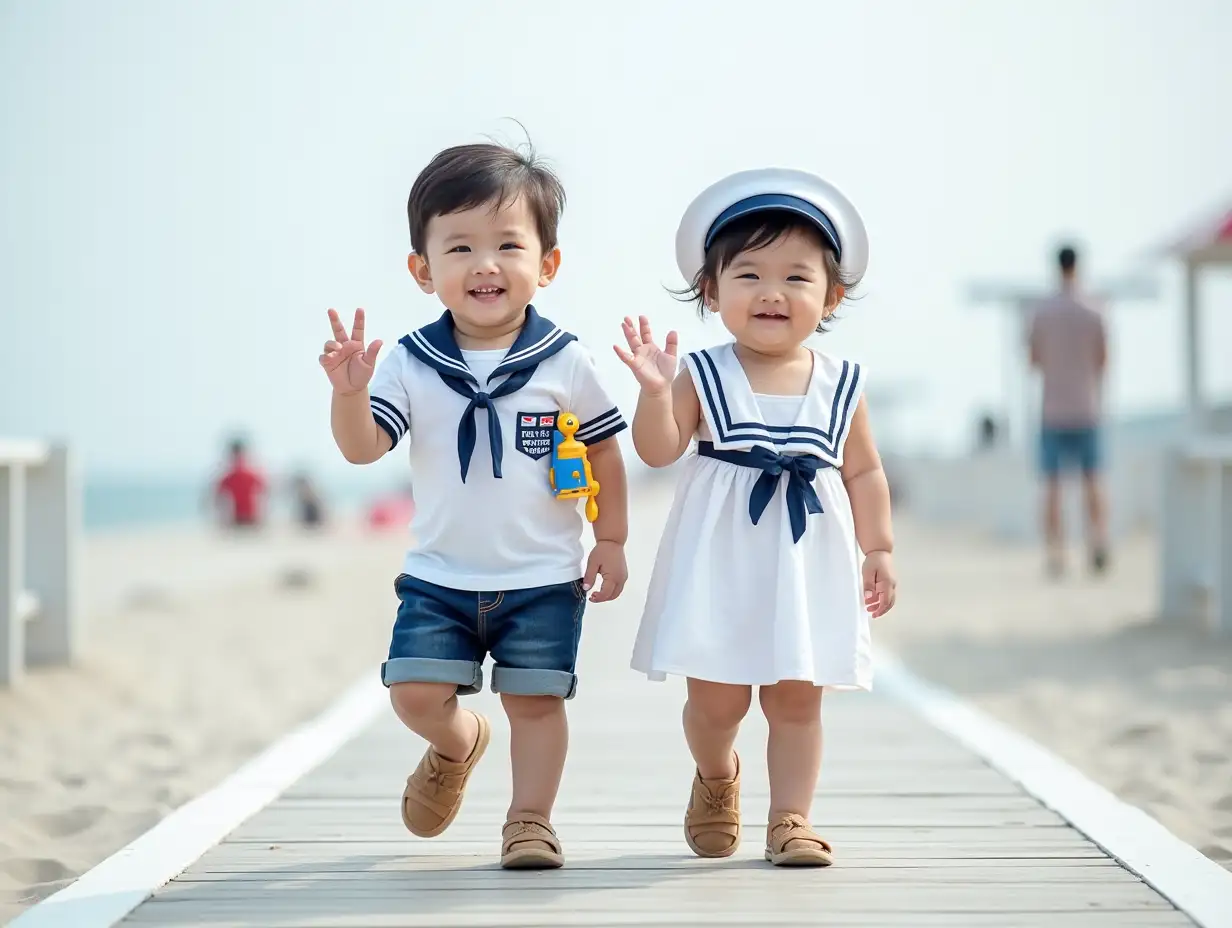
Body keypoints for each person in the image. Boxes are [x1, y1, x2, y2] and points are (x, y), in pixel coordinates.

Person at [319, 141, 630, 870]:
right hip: (440, 577)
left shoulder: (564, 360)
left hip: (543, 576)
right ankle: (458, 744)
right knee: (415, 693)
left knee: (536, 703)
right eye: (459, 246)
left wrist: (609, 538)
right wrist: (349, 393)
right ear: (423, 270)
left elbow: (607, 451)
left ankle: (529, 819)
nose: (484, 264)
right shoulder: (407, 361)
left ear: (546, 265)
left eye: (507, 245)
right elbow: (364, 449)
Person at [614, 169, 896, 867]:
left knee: (798, 701)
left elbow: (862, 470)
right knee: (718, 705)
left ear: (831, 295)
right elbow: (657, 451)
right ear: (711, 289)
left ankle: (791, 818)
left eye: (797, 278)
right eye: (748, 274)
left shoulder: (841, 383)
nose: (772, 292)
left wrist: (879, 548)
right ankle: (717, 776)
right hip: (721, 562)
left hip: (806, 565)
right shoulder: (703, 373)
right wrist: (654, 393)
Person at [1027, 244, 1109, 576]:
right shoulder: (1095, 311)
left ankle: (1056, 553)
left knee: (1053, 487)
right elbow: (1104, 361)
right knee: (1093, 482)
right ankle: (1098, 543)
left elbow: (1033, 361)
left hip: (1052, 410)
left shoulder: (1042, 313)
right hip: (1087, 407)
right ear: (1079, 266)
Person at [212, 438, 267, 529]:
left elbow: (217, 498)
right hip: (251, 520)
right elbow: (264, 492)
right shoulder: (250, 474)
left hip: (238, 520)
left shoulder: (229, 476)